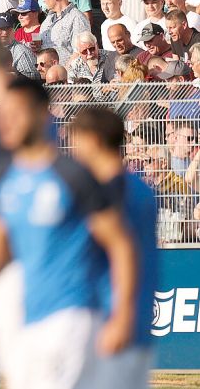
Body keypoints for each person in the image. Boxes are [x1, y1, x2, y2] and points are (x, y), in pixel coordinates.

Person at [0, 78, 138, 389]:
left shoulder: (72, 175)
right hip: (28, 316)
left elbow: (121, 245)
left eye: (17, 112)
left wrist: (124, 314)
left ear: (41, 114)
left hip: (71, 316)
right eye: (3, 113)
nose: (7, 121)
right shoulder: (4, 180)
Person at [69, 108, 157, 389]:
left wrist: (119, 317)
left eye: (74, 139)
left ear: (92, 140)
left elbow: (123, 251)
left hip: (112, 320)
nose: (71, 147)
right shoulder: (139, 187)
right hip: (134, 320)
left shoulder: (110, 191)